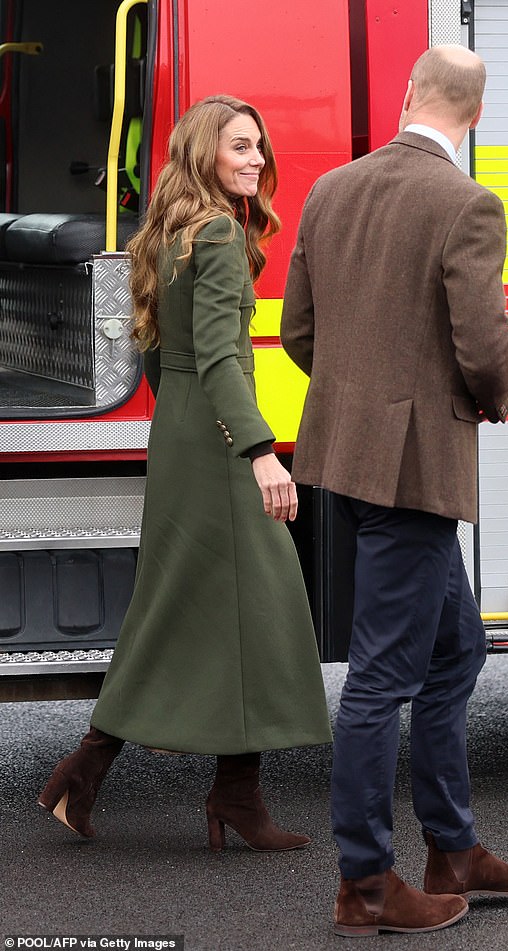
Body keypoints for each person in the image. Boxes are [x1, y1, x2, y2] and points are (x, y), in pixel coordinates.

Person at [281, 46, 508, 936]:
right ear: (477, 114)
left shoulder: (331, 189)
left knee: (456, 649)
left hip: (346, 460)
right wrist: (491, 398)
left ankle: (454, 851)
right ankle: (364, 884)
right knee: (381, 677)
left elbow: (299, 331)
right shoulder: (467, 202)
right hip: (414, 472)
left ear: (407, 96)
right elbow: (483, 342)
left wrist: (358, 405)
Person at [38, 95, 332, 853]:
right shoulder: (220, 236)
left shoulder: (168, 232)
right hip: (220, 445)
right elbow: (223, 358)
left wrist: (185, 420)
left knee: (186, 605)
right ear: (206, 153)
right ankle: (213, 791)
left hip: (181, 434)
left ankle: (125, 779)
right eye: (240, 146)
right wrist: (261, 452)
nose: (257, 159)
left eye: (259, 146)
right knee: (258, 603)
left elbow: (158, 356)